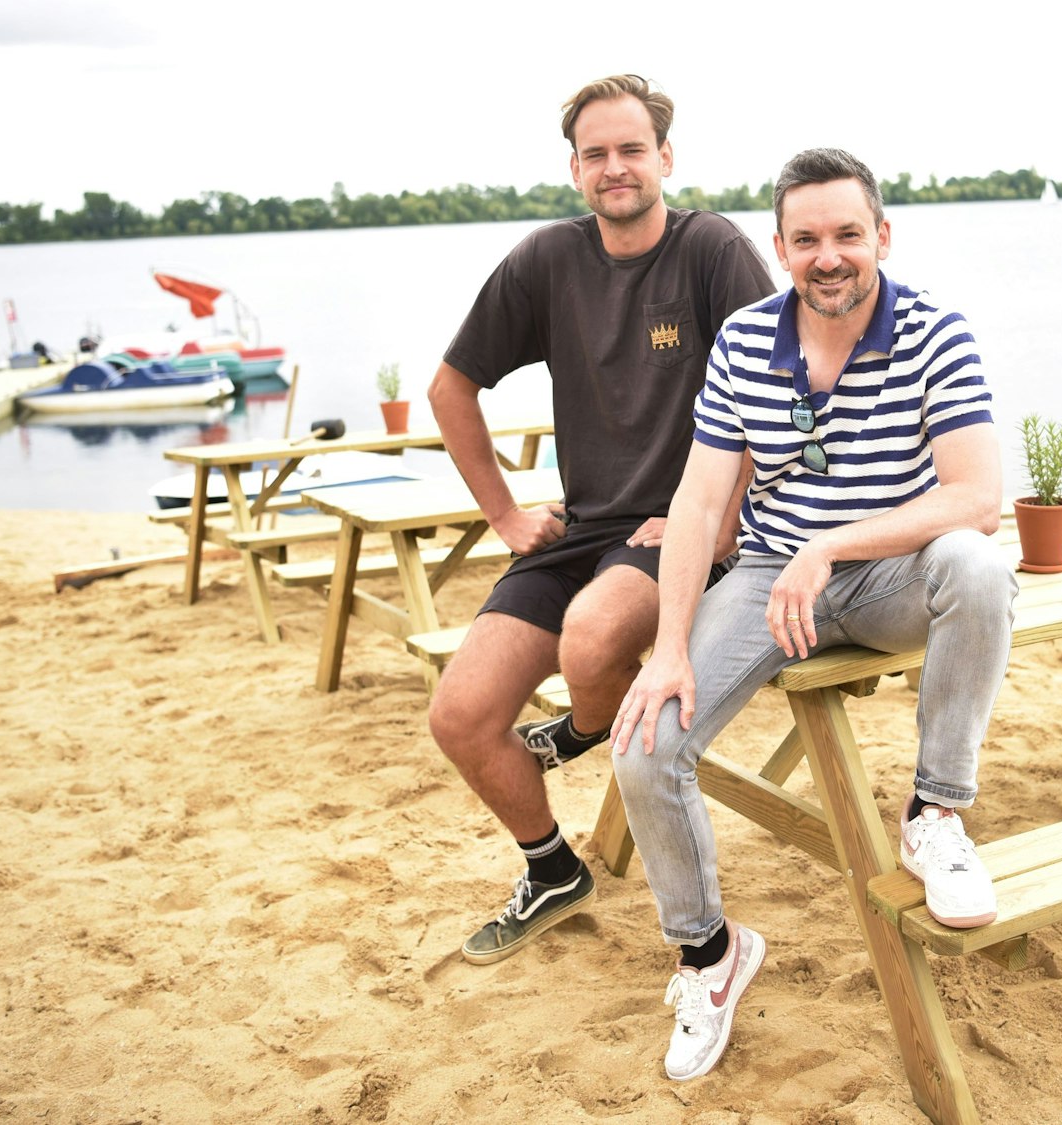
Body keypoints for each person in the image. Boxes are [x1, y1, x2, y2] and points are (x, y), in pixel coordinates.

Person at [608, 147, 1017, 1081]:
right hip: (761, 579)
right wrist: (669, 647)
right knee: (642, 744)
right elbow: (702, 503)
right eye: (806, 239)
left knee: (980, 568)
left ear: (881, 235)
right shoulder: (747, 339)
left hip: (887, 577)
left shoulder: (935, 331)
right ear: (781, 248)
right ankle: (710, 956)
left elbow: (978, 496)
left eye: (846, 234)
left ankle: (937, 814)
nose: (828, 256)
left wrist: (829, 546)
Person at [426, 75, 775, 967]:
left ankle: (581, 726)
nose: (615, 168)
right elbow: (449, 387)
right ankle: (552, 868)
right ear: (575, 168)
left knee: (589, 640)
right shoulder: (547, 259)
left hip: (681, 528)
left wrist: (721, 519)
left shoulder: (713, 251)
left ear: (666, 156)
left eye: (632, 149)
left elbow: (778, 394)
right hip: (580, 527)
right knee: (461, 717)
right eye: (597, 154)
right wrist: (503, 512)